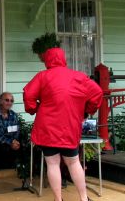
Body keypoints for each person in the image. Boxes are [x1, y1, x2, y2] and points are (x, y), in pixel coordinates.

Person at [23, 47, 103, 201]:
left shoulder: (42, 76)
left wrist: (35, 109)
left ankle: (58, 199)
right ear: (63, 59)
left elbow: (28, 94)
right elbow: (97, 93)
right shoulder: (78, 76)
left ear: (47, 60)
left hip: (47, 127)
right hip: (69, 125)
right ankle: (84, 198)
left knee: (52, 164)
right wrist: (85, 112)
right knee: (73, 163)